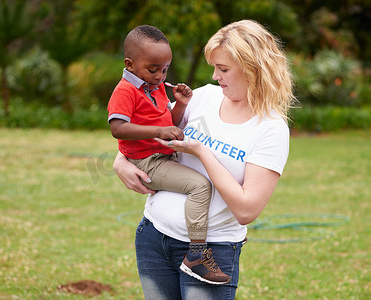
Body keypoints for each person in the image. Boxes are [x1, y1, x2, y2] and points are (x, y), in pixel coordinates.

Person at [113, 19, 296, 299]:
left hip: (213, 251)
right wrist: (120, 161)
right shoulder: (204, 98)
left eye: (223, 69)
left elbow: (247, 210)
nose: (214, 77)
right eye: (214, 68)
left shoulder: (270, 128)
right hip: (154, 236)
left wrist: (201, 152)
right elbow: (149, 129)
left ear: (252, 69)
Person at [107, 25, 230, 284]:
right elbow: (118, 128)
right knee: (199, 186)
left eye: (164, 70)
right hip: (148, 161)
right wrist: (158, 130)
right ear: (129, 64)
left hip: (162, 156)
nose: (159, 76)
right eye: (152, 69)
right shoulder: (125, 91)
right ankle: (197, 255)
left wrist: (181, 105)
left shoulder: (154, 89)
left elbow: (168, 128)